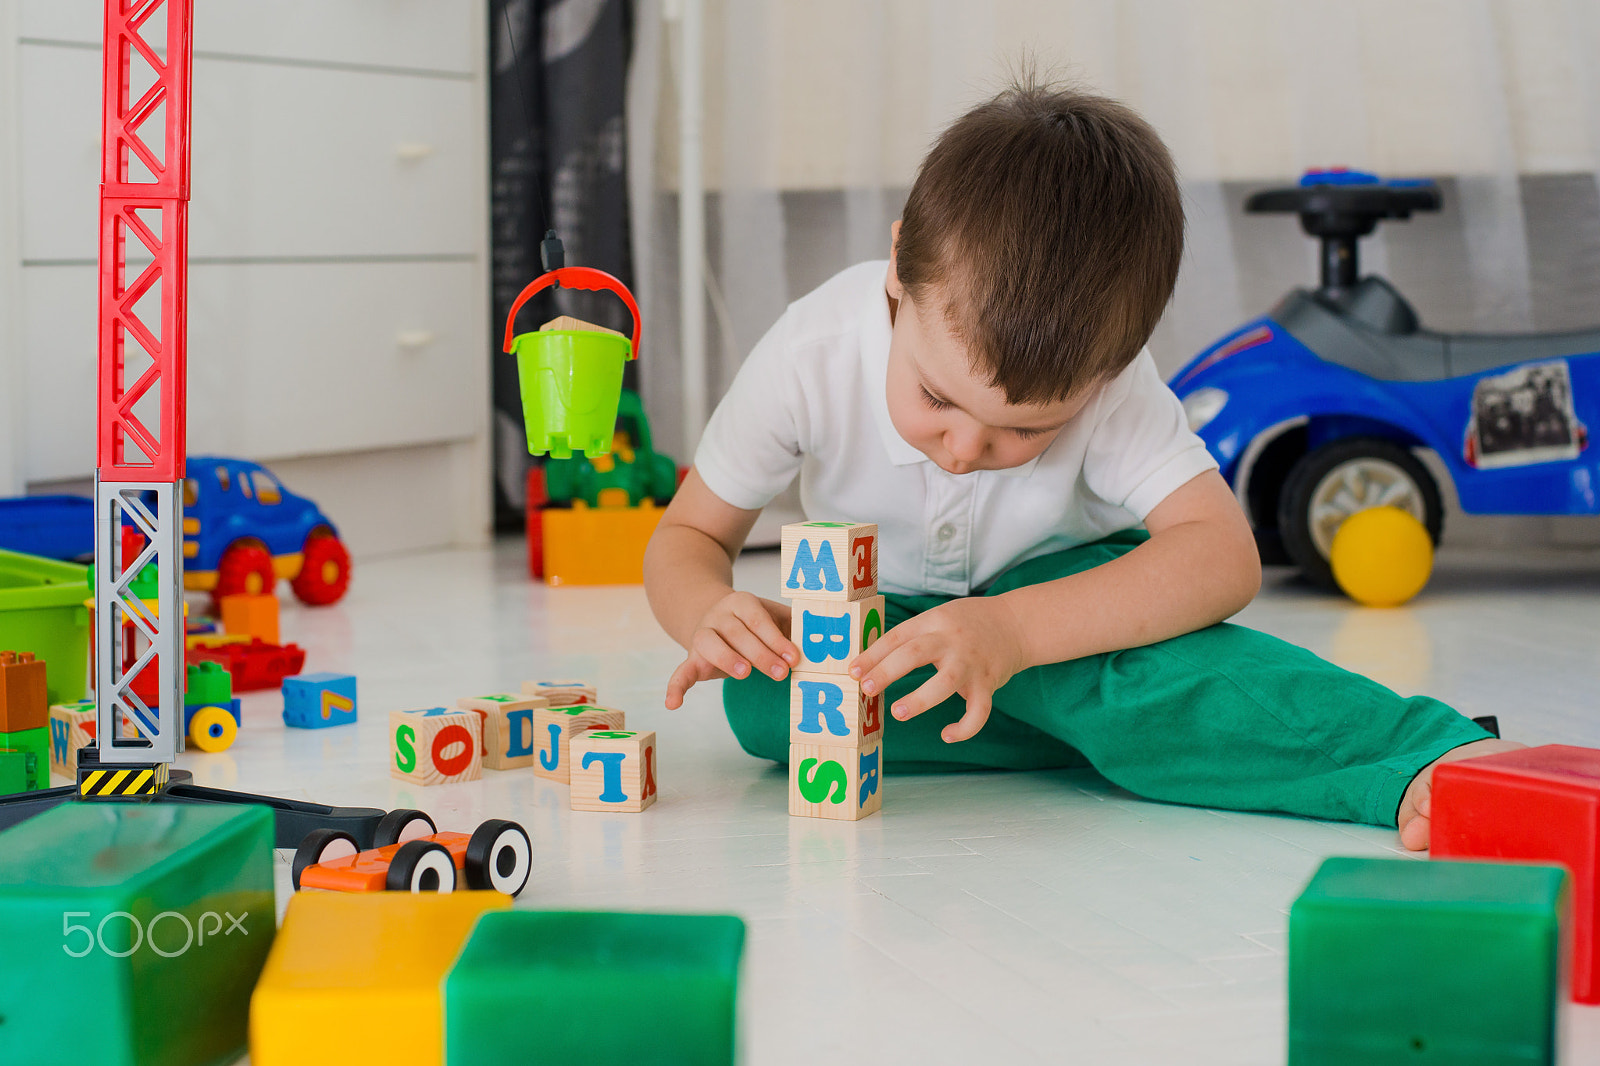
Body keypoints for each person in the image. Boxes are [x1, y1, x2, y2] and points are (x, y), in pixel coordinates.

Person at [642, 79, 1518, 850]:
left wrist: (1016, 637)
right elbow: (687, 536)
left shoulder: (1111, 382)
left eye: (1026, 431)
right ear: (901, 273)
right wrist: (707, 611)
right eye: (939, 400)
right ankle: (1114, 726)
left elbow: (1220, 555)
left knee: (1110, 674)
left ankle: (1420, 755)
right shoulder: (809, 352)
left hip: (1066, 605)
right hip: (890, 619)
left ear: (1106, 371)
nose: (966, 450)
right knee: (764, 707)